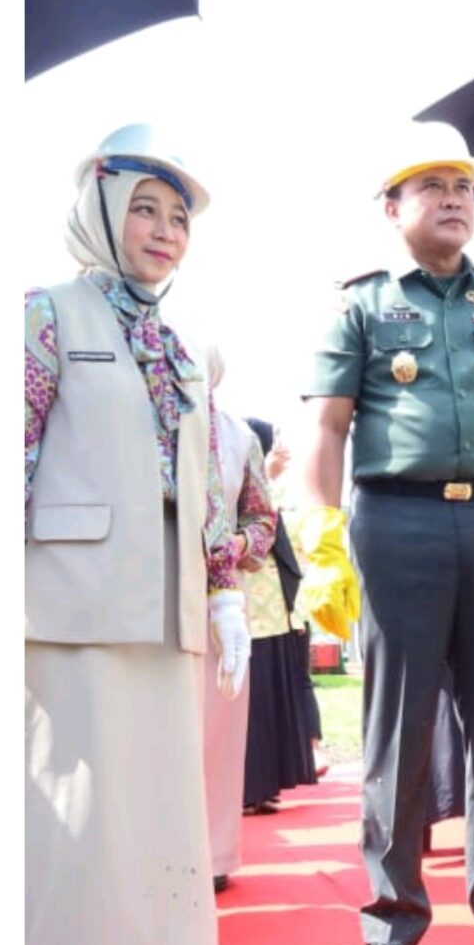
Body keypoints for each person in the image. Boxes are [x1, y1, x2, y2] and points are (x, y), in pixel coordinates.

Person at [295, 126, 474, 945]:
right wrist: (324, 538)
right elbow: (327, 424)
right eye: (431, 185)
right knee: (398, 736)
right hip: (396, 526)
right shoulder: (362, 306)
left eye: (463, 185)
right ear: (392, 207)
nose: (454, 197)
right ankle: (391, 924)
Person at [26, 127, 248, 945]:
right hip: (67, 609)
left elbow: (202, 483)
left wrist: (225, 581)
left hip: (166, 617)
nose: (165, 231)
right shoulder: (44, 314)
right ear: (102, 211)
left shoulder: (182, 343)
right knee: (78, 826)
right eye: (146, 208)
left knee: (163, 823)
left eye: (180, 216)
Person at [201, 348, 277, 890]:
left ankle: (212, 855)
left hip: (220, 600)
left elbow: (261, 517)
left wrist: (237, 544)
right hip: (142, 592)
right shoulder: (130, 421)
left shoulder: (237, 435)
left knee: (218, 730)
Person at [240, 419, 323, 815]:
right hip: (244, 602)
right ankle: (246, 787)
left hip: (279, 604)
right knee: (250, 697)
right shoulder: (229, 466)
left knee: (273, 694)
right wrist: (265, 477)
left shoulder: (285, 482)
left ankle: (268, 783)